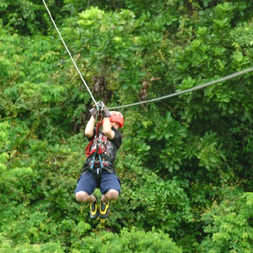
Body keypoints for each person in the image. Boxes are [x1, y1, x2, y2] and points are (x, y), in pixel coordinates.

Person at [75, 102, 124, 219]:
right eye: (113, 122)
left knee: (113, 193)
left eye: (116, 124)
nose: (114, 126)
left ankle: (104, 200)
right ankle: (92, 201)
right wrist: (94, 114)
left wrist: (106, 113)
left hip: (106, 170)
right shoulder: (97, 133)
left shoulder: (116, 137)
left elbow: (107, 131)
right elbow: (87, 132)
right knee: (80, 196)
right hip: (90, 169)